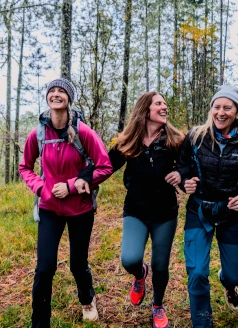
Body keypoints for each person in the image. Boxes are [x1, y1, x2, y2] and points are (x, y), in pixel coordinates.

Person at [19, 78, 113, 327]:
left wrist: (72, 185)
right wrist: (41, 188)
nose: (56, 94)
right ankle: (40, 323)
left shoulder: (83, 132)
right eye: (52, 91)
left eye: (62, 91)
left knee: (77, 264)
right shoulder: (38, 133)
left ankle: (87, 298)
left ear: (69, 99)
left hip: (80, 209)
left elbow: (105, 167)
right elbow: (25, 167)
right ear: (47, 98)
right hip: (49, 209)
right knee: (44, 268)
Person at [176, 85, 238, 328]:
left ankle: (229, 284)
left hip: (231, 215)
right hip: (199, 211)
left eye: (227, 107)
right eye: (217, 107)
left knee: (233, 274)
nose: (221, 112)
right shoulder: (195, 137)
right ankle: (202, 323)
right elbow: (182, 168)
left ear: (237, 112)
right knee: (197, 272)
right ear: (211, 109)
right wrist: (184, 181)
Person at [108, 92, 185, 328]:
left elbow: (188, 167)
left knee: (161, 265)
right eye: (159, 103)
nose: (164, 107)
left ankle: (158, 306)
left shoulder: (175, 140)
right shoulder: (129, 141)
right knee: (129, 259)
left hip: (165, 214)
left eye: (165, 104)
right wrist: (79, 181)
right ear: (145, 109)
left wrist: (182, 175)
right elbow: (104, 167)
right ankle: (140, 273)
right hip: (136, 211)